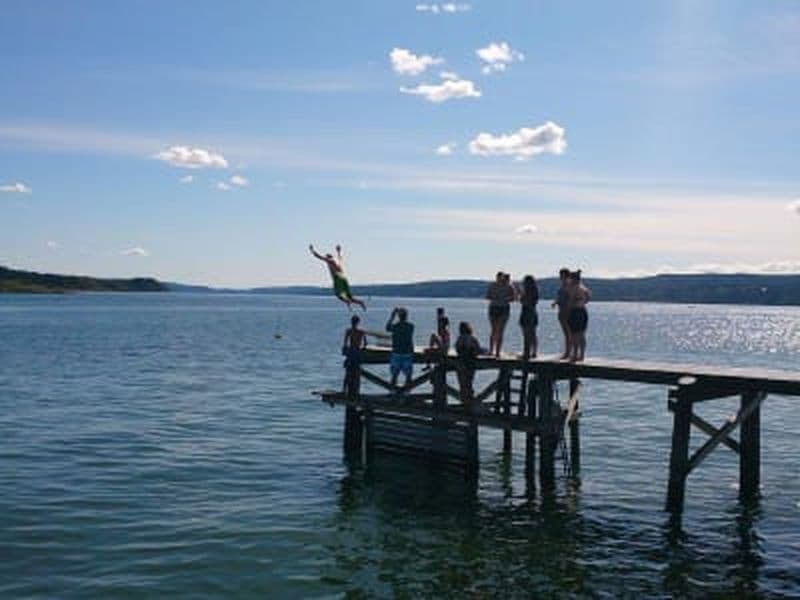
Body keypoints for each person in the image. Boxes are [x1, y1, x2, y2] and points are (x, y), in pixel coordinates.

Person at [309, 244, 366, 311]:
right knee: (350, 296)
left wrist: (312, 250)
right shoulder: (337, 260)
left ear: (327, 257)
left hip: (337, 278)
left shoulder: (330, 260)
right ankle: (360, 302)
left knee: (339, 295)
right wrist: (339, 250)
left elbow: (318, 256)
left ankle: (347, 302)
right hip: (344, 278)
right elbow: (340, 255)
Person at [485, 271, 516, 357]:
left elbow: (514, 298)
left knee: (500, 330)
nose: (499, 279)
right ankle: (491, 350)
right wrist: (495, 297)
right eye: (498, 277)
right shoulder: (492, 285)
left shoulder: (509, 286)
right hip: (494, 307)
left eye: (501, 277)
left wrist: (505, 298)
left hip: (503, 308)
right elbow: (487, 296)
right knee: (494, 330)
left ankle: (497, 351)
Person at [386, 307, 415, 389]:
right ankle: (406, 394)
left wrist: (392, 316)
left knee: (394, 376)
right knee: (408, 377)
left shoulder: (395, 327)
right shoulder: (411, 326)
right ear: (406, 316)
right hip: (407, 353)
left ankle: (393, 393)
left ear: (399, 317)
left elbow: (387, 327)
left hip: (397, 353)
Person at [455, 321, 481, 410]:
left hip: (461, 364)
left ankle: (465, 404)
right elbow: (477, 349)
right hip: (470, 364)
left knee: (462, 385)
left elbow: (457, 349)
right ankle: (470, 403)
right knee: (469, 384)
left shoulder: (460, 338)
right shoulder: (473, 338)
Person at [566, 270, 591, 362]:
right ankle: (582, 355)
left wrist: (568, 311)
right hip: (583, 311)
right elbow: (588, 298)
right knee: (581, 334)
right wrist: (582, 302)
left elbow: (570, 301)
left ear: (573, 279)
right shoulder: (583, 288)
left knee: (574, 334)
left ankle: (575, 354)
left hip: (575, 311)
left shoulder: (573, 288)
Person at [342, 315, 367, 396]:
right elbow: (365, 344)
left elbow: (345, 343)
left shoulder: (348, 331)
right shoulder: (361, 332)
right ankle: (356, 392)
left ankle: (344, 390)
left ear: (351, 322)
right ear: (358, 322)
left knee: (348, 373)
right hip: (357, 352)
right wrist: (362, 348)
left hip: (351, 352)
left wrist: (345, 350)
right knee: (356, 373)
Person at [551, 267, 571, 359]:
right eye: (560, 275)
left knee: (569, 333)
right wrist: (555, 302)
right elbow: (560, 297)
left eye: (562, 275)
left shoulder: (569, 285)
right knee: (566, 333)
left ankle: (568, 353)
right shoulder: (562, 285)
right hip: (561, 310)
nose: (560, 277)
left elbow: (570, 297)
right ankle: (567, 352)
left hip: (567, 311)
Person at [518, 275, 539, 359]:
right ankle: (534, 352)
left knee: (526, 334)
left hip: (527, 312)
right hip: (533, 312)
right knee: (532, 333)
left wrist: (521, 293)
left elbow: (524, 302)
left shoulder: (528, 292)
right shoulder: (535, 291)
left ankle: (526, 353)